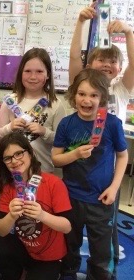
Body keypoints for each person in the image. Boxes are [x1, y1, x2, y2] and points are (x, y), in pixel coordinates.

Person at [52, 68, 128, 280]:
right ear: (73, 95)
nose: (87, 100)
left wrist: (114, 188)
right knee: (69, 241)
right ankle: (68, 271)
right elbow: (56, 159)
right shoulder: (67, 124)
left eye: (94, 95)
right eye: (82, 94)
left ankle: (100, 274)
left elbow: (123, 157)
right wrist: (75, 154)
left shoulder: (112, 124)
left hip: (101, 198)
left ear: (103, 98)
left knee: (102, 248)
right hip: (70, 197)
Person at [0, 132, 72, 280]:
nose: (14, 161)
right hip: (23, 250)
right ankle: (17, 273)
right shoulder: (8, 187)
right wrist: (11, 215)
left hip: (49, 256)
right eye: (8, 158)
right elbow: (0, 231)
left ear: (30, 153)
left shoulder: (53, 183)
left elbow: (67, 226)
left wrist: (42, 215)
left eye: (19, 153)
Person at [0, 48, 66, 173]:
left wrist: (44, 131)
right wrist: (10, 127)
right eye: (27, 71)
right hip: (12, 171)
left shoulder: (55, 104)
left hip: (43, 170)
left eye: (39, 71)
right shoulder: (10, 101)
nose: (33, 77)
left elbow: (62, 140)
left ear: (48, 74)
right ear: (21, 73)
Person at [69, 2, 134, 121]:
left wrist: (129, 32)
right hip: (81, 140)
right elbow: (74, 57)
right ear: (88, 67)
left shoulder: (120, 90)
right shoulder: (80, 85)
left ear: (119, 69)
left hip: (113, 140)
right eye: (101, 60)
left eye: (113, 61)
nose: (107, 64)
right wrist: (81, 22)